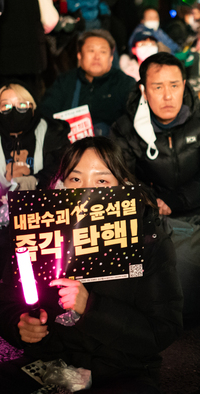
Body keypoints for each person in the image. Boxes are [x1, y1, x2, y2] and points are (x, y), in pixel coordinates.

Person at [0, 136, 183, 393]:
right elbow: (7, 302)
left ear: (122, 185)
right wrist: (19, 324)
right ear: (61, 184)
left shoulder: (149, 240)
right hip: (48, 365)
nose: (86, 191)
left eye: (102, 180)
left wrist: (92, 309)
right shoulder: (38, 233)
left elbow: (162, 331)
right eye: (76, 179)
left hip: (122, 372)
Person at [109, 53, 200, 257]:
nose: (168, 96)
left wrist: (176, 200)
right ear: (143, 90)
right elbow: (123, 179)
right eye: (158, 87)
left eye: (174, 86)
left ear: (184, 85)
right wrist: (153, 203)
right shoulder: (125, 129)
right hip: (154, 219)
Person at [38, 30, 136, 136]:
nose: (97, 57)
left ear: (111, 58)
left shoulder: (125, 83)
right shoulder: (65, 81)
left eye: (103, 52)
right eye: (91, 51)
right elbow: (46, 112)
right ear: (79, 55)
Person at [0, 82, 70, 191]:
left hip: (44, 201)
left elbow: (62, 165)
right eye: (6, 105)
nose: (14, 110)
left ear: (33, 109)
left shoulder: (52, 132)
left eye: (22, 105)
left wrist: (36, 181)